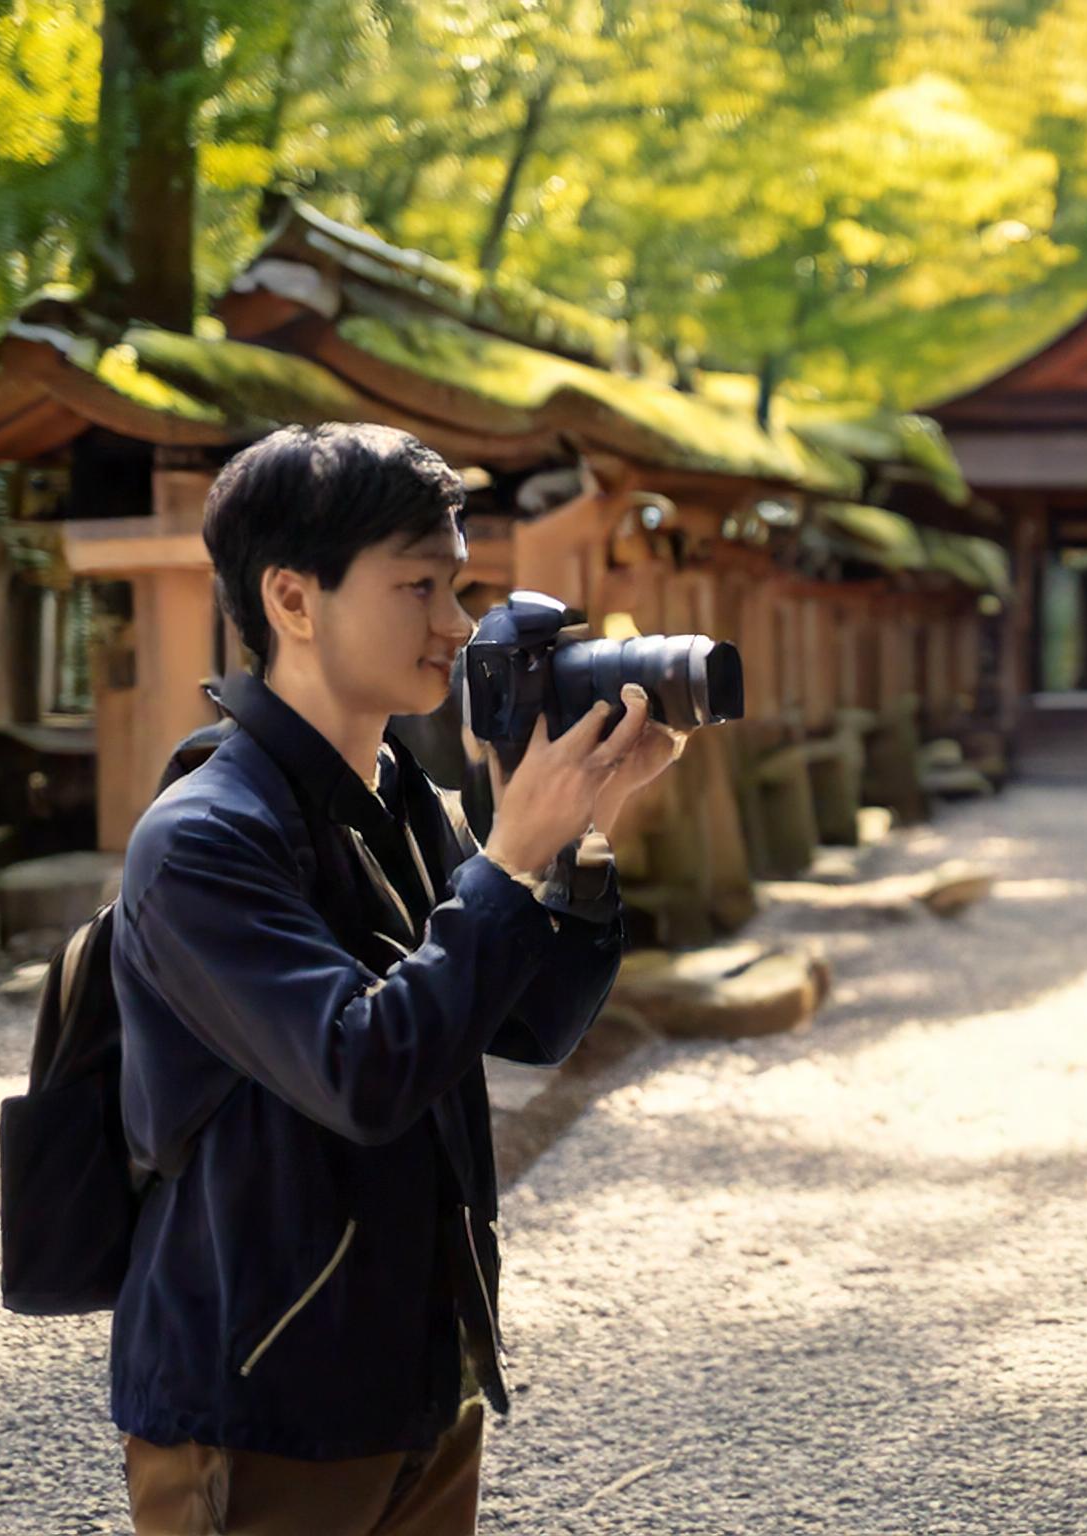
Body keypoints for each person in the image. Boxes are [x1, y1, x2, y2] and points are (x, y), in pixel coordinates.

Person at [107, 423, 682, 1534]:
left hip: (415, 1366)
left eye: (456, 586)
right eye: (418, 585)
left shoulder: (398, 798)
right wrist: (510, 859)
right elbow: (362, 1071)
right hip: (262, 1394)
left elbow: (533, 1021)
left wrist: (578, 840)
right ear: (292, 600)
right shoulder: (203, 841)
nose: (456, 624)